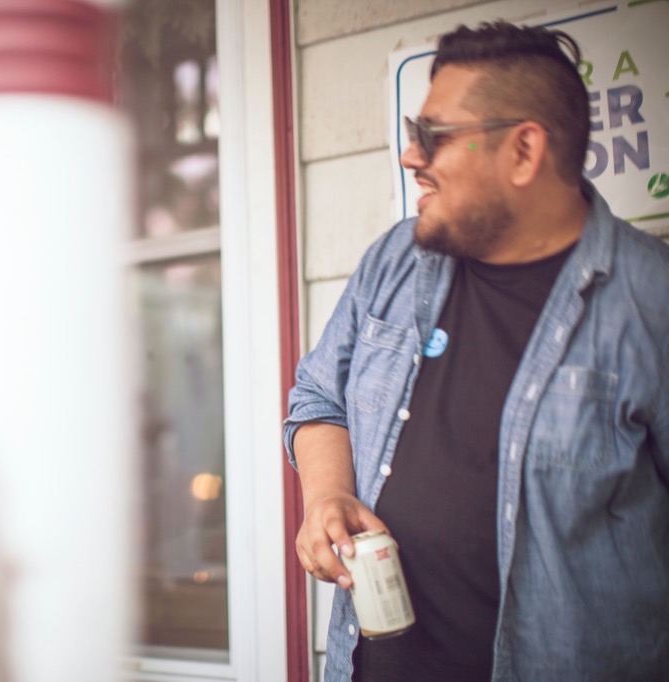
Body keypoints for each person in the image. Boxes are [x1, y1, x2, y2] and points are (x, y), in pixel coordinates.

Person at [284, 21, 669, 681]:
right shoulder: (395, 259)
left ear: (524, 151)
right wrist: (328, 494)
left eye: (434, 135)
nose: (411, 156)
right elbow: (320, 396)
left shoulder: (649, 301)